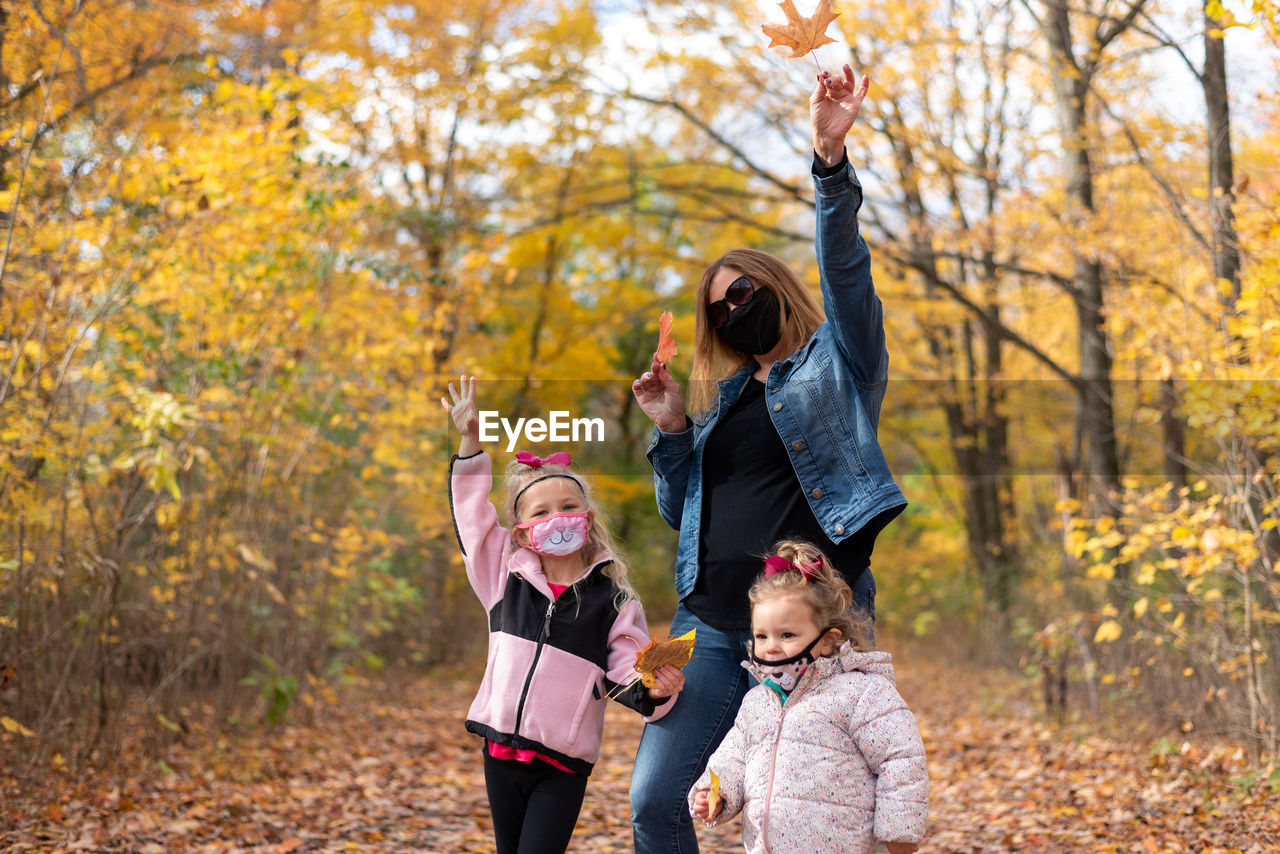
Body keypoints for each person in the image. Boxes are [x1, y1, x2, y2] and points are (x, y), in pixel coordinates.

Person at [629, 66, 908, 852]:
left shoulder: (838, 361)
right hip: (711, 627)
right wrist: (674, 426)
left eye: (744, 291)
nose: (733, 309)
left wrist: (829, 158)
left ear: (777, 285)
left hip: (819, 623)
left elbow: (847, 272)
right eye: (720, 308)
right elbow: (683, 514)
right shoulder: (722, 407)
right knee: (658, 800)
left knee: (814, 818)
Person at [442, 375, 685, 854]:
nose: (559, 517)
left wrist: (656, 690)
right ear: (523, 532)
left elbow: (627, 670)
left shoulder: (614, 601)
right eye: (544, 512)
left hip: (562, 763)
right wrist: (470, 441)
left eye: (569, 506)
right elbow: (473, 519)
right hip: (499, 752)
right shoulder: (502, 578)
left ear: (588, 518)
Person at [688, 540, 928, 853]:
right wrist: (714, 792)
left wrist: (899, 835)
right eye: (762, 636)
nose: (771, 646)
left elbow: (901, 757)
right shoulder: (757, 702)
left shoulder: (859, 692)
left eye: (787, 635)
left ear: (827, 641)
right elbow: (732, 758)